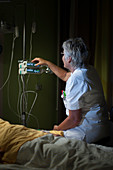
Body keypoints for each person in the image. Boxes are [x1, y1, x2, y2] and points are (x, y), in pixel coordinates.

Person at [32, 37, 110, 143]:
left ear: (69, 59)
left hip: (87, 130)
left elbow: (74, 119)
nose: (62, 57)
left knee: (43, 137)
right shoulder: (88, 70)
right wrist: (47, 63)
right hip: (102, 127)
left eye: (63, 54)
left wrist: (57, 129)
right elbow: (64, 75)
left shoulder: (76, 79)